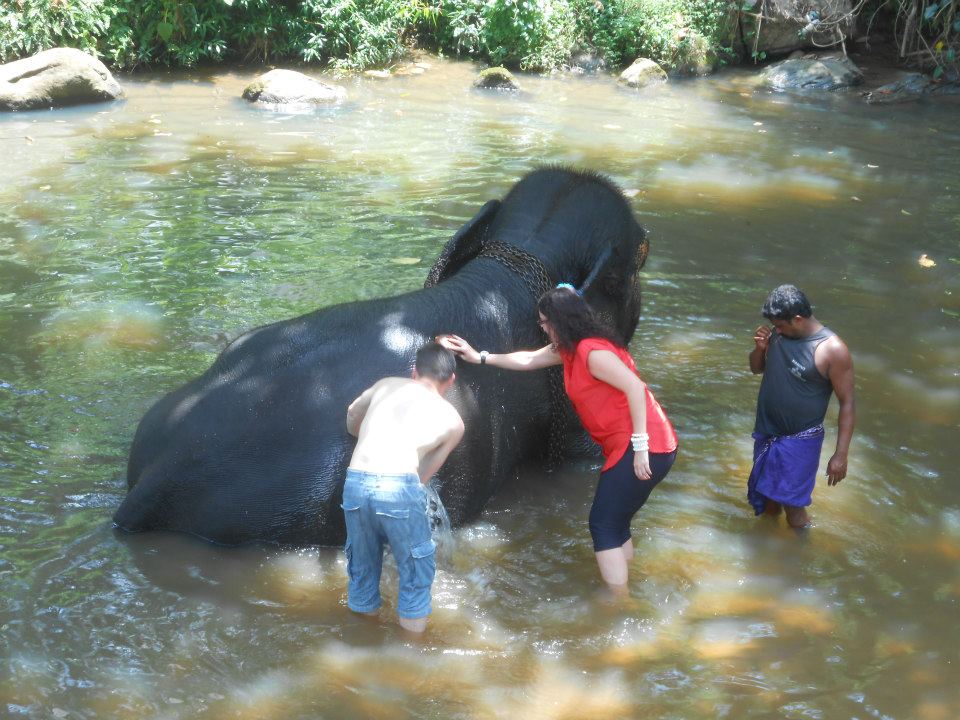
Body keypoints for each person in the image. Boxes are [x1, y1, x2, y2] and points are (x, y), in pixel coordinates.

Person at [439, 285, 678, 594]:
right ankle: (625, 581)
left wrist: (641, 448)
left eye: (543, 321)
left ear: (559, 321)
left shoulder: (592, 352)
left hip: (645, 445)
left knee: (602, 524)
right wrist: (479, 357)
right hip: (643, 445)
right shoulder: (569, 349)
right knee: (615, 521)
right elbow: (528, 361)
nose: (542, 327)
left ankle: (618, 603)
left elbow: (635, 388)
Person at [342, 341, 464, 632]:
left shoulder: (385, 385)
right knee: (416, 576)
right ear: (451, 381)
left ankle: (362, 641)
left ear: (414, 372)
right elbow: (422, 477)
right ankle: (410, 659)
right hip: (399, 486)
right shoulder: (454, 422)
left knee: (362, 570)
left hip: (356, 481)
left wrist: (361, 433)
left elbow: (351, 414)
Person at [748, 284, 856, 529]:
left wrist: (841, 455)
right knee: (767, 500)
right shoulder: (779, 335)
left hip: (800, 440)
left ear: (797, 319)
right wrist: (760, 349)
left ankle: (801, 556)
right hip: (767, 431)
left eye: (780, 325)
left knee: (793, 508)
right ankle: (766, 551)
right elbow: (756, 368)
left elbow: (847, 403)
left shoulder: (832, 350)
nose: (776, 330)